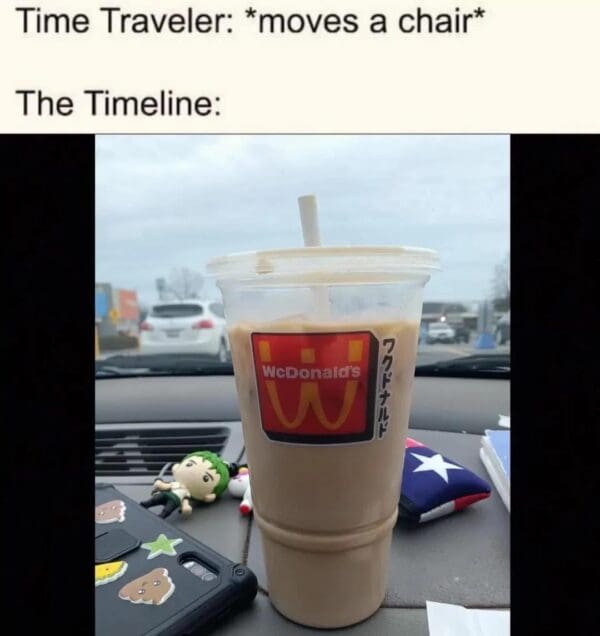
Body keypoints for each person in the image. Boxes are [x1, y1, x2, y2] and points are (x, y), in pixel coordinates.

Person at [140, 450, 242, 518]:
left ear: (210, 496)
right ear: (177, 467)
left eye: (206, 478)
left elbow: (185, 501)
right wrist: (159, 484)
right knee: (155, 499)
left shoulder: (187, 494)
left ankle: (161, 516)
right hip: (166, 493)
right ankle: (145, 504)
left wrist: (186, 507)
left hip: (175, 500)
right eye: (189, 464)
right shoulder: (174, 484)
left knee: (167, 509)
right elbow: (163, 486)